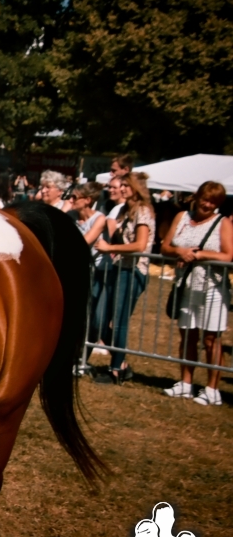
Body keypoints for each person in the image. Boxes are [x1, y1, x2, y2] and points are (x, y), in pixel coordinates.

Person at [161, 182, 232, 406]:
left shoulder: (222, 223)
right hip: (186, 285)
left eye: (213, 202)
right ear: (197, 197)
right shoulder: (181, 217)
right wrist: (180, 251)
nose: (208, 205)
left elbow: (228, 255)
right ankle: (185, 383)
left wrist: (200, 255)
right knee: (187, 336)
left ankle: (212, 389)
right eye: (205, 199)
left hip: (213, 288)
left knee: (211, 339)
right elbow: (165, 246)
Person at [94, 172, 156, 383]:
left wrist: (109, 248)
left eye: (125, 186)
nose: (121, 189)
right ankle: (121, 362)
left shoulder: (143, 211)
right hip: (119, 268)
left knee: (119, 322)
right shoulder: (124, 210)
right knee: (101, 320)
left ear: (135, 188)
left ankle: (115, 370)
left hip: (133, 271)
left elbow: (140, 245)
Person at [70, 182, 106, 246]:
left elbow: (81, 244)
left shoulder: (99, 219)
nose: (70, 200)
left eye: (74, 197)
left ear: (87, 200)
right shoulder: (71, 214)